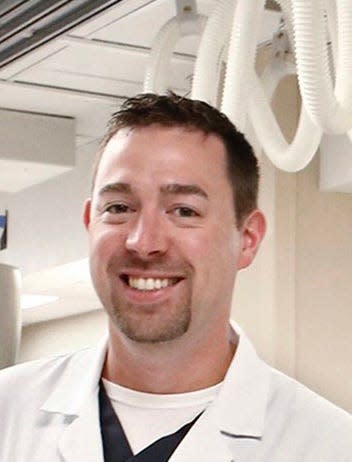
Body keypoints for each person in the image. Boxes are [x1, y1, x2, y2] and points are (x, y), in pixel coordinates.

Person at [0, 93, 351, 462]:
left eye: (184, 211)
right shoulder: (9, 412)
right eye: (119, 208)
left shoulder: (329, 445)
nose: (143, 242)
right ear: (90, 223)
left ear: (247, 239)